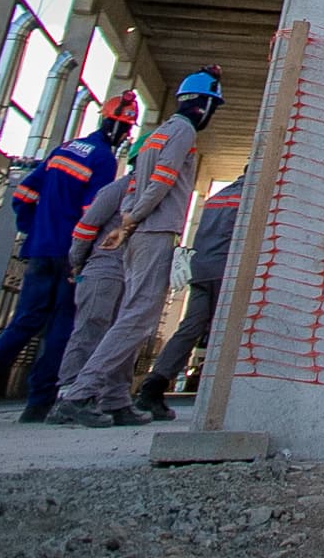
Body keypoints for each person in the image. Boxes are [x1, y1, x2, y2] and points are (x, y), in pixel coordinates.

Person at [0, 92, 134, 424]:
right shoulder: (103, 159)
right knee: (62, 327)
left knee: (25, 321)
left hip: (39, 249)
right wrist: (85, 253)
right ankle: (39, 402)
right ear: (121, 129)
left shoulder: (63, 149)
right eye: (126, 130)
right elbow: (91, 212)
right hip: (69, 252)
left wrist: (33, 228)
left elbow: (23, 194)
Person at [52, 69, 220, 425]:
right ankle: (80, 394)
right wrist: (133, 219)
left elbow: (133, 188)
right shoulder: (184, 132)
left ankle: (115, 399)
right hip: (156, 230)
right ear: (203, 105)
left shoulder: (156, 135)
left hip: (139, 233)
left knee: (129, 315)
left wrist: (127, 223)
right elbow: (162, 181)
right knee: (139, 318)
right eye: (213, 107)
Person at [133, 174, 241, 422]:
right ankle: (225, 396)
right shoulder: (253, 198)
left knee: (190, 328)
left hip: (201, 270)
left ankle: (153, 386)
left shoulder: (216, 198)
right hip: (227, 271)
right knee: (233, 332)